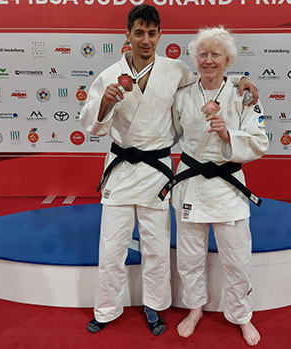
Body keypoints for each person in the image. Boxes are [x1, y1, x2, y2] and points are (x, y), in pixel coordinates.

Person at [80, 5, 259, 336]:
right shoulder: (108, 76)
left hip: (157, 170)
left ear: (160, 36)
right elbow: (91, 124)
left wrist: (241, 78)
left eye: (151, 33)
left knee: (157, 246)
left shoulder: (176, 70)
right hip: (120, 170)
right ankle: (105, 308)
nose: (145, 40)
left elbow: (211, 80)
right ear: (128, 35)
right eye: (139, 33)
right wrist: (104, 101)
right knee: (111, 245)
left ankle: (154, 305)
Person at [164, 26, 269, 345]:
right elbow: (168, 133)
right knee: (189, 257)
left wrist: (229, 136)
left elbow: (260, 140)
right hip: (191, 185)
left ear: (228, 59)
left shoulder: (243, 94)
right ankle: (195, 308)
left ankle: (241, 315)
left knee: (237, 259)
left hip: (228, 187)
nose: (209, 60)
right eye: (203, 54)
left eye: (216, 55)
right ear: (195, 58)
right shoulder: (182, 96)